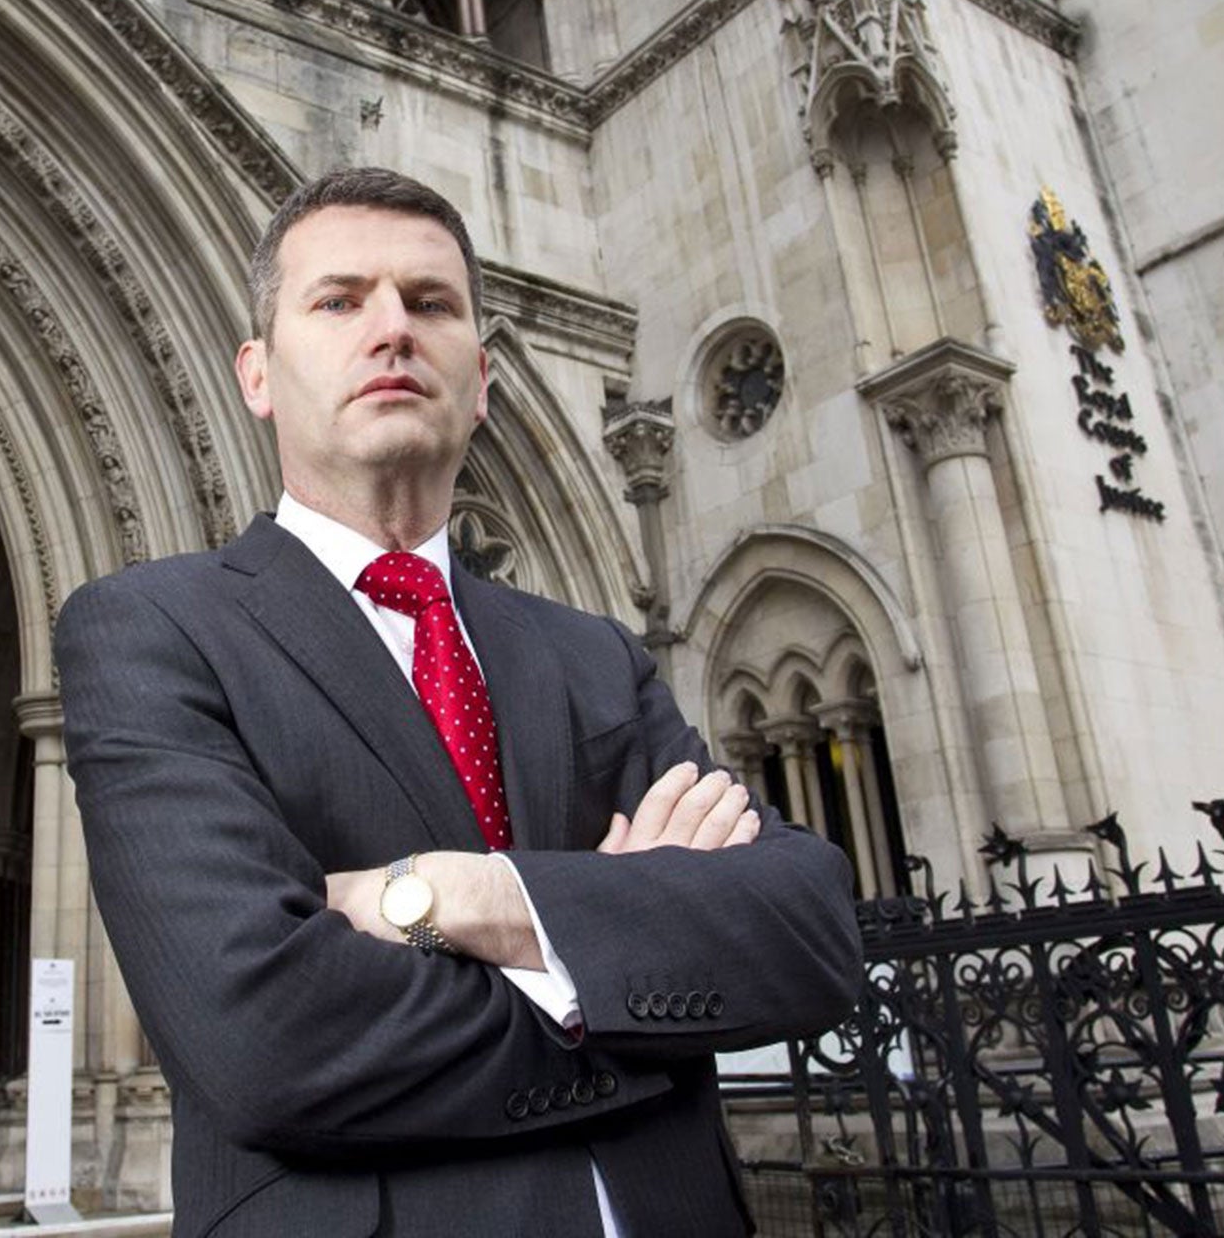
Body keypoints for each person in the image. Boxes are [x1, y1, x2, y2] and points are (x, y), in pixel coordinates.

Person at [57, 168, 862, 1237]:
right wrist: (613, 952)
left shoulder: (589, 655)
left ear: (480, 380)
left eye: (429, 303)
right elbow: (263, 1035)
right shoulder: (150, 630)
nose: (390, 329)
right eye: (338, 301)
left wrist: (453, 899)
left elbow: (807, 931)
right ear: (257, 373)